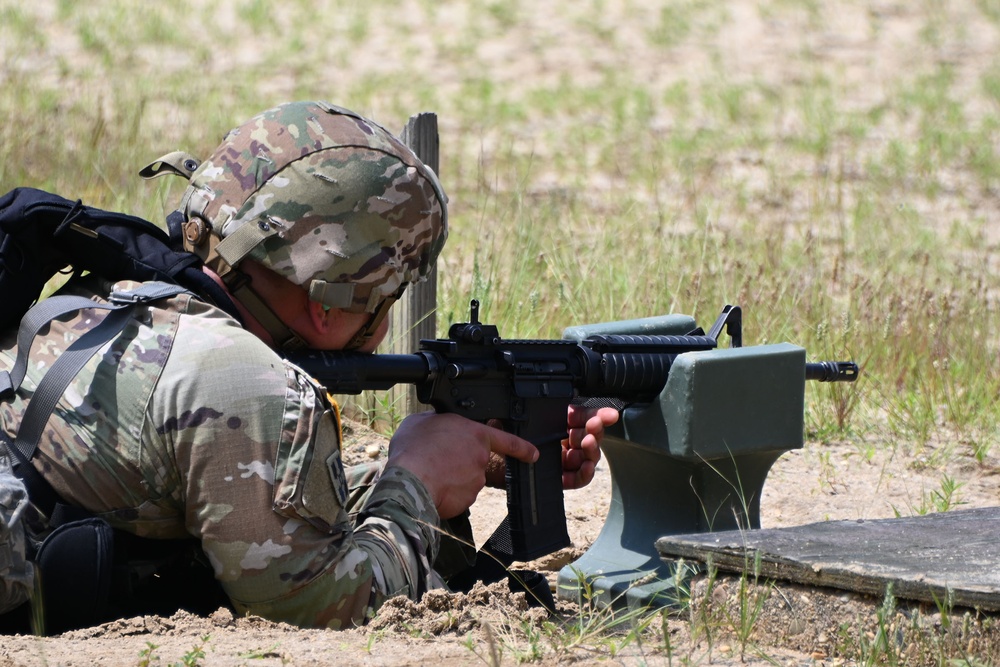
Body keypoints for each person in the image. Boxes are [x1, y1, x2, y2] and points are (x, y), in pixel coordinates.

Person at [0, 101, 618, 629]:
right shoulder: (243, 380)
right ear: (330, 304)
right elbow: (323, 604)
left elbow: (245, 491)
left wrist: (463, 459)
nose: (383, 326)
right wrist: (417, 484)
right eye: (387, 297)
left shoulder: (114, 294)